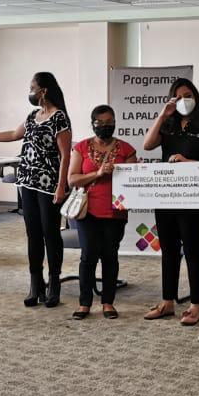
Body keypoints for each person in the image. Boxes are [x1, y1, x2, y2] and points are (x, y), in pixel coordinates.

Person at [0, 72, 71, 308]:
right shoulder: (32, 116)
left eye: (32, 87)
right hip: (27, 182)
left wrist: (61, 186)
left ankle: (54, 283)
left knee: (50, 233)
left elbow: (66, 155)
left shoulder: (59, 118)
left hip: (48, 184)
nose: (30, 91)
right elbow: (14, 134)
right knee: (33, 234)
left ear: (43, 91)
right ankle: (36, 284)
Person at [141, 78, 199, 326]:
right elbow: (147, 145)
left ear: (196, 96)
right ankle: (167, 301)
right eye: (178, 97)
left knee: (192, 249)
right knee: (168, 250)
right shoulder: (168, 124)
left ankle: (196, 304)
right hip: (166, 196)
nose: (184, 101)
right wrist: (163, 114)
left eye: (188, 95)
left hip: (194, 198)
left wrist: (186, 162)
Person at [67, 106, 137, 320]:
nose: (105, 126)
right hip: (88, 211)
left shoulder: (127, 149)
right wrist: (97, 174)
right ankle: (84, 303)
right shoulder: (81, 147)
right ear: (93, 124)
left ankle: (108, 302)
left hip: (115, 212)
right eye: (101, 123)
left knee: (110, 256)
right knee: (88, 256)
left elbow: (134, 182)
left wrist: (130, 172)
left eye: (110, 122)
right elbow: (72, 179)